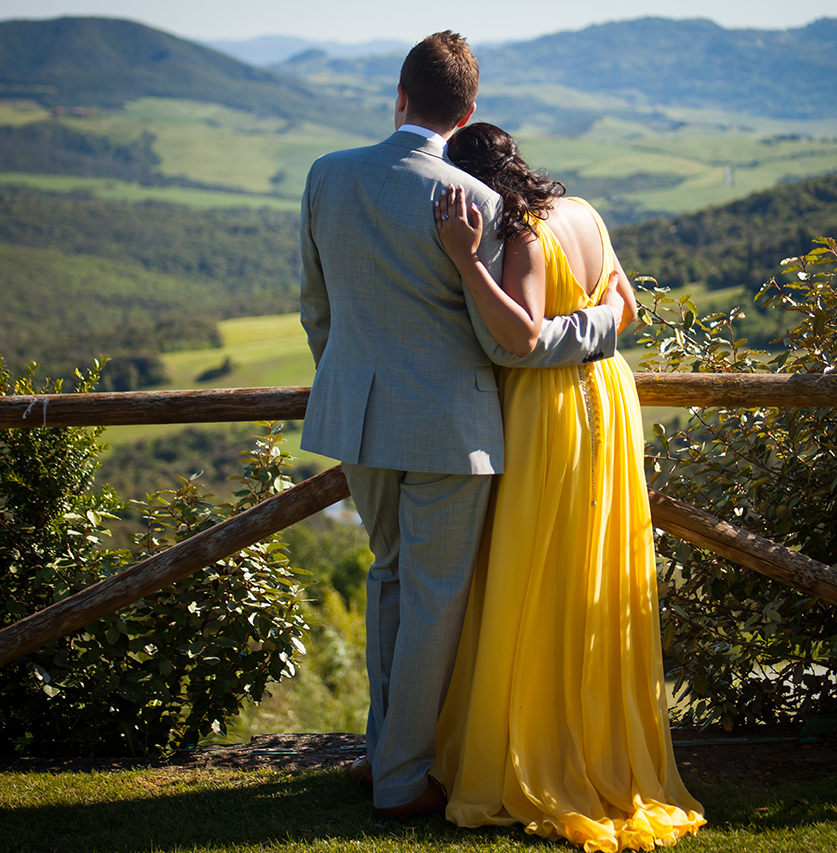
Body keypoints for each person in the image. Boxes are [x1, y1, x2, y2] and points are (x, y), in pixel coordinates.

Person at [299, 33, 623, 819]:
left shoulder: (325, 176)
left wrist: (350, 379)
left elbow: (317, 310)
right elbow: (508, 341)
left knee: (388, 579)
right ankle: (405, 777)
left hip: (358, 415)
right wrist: (606, 324)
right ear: (468, 111)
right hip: (452, 429)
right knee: (435, 601)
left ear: (399, 95)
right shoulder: (481, 206)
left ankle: (382, 756)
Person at [430, 123, 706, 851]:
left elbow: (520, 335)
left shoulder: (518, 236)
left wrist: (466, 261)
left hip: (548, 409)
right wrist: (594, 324)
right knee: (593, 558)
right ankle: (595, 737)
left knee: (534, 565)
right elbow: (628, 310)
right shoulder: (584, 210)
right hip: (610, 400)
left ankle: (542, 744)